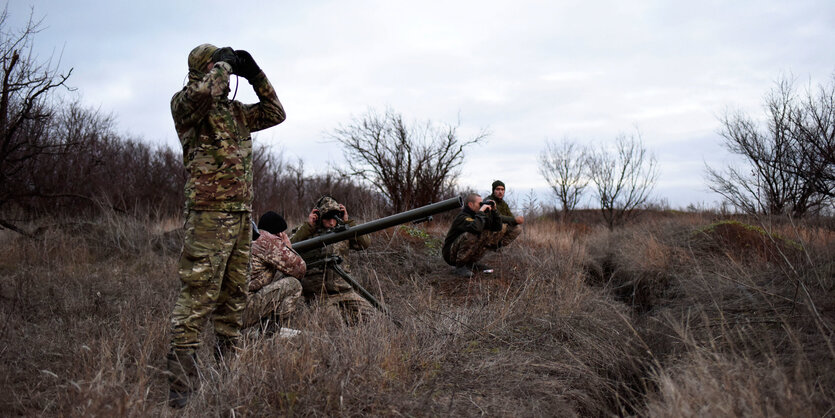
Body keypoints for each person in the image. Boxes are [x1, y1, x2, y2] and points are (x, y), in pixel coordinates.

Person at [166, 43, 285, 408]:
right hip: (207, 215)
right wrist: (222, 66)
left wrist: (255, 74)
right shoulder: (186, 105)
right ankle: (181, 390)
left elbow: (275, 113)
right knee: (198, 296)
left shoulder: (235, 112)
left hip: (238, 216)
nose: (227, 71)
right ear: (206, 69)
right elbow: (202, 91)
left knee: (233, 299)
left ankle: (225, 376)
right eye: (219, 66)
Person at [289, 196, 376, 324]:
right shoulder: (306, 232)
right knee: (333, 323)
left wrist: (348, 222)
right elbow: (289, 247)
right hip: (319, 294)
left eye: (334, 218)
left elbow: (365, 244)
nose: (331, 222)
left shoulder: (343, 231)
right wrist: (309, 226)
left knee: (372, 317)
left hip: (344, 291)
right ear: (318, 217)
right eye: (327, 218)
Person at [241, 211, 305, 333]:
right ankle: (269, 333)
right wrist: (287, 247)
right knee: (293, 284)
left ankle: (256, 331)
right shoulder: (269, 241)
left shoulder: (252, 238)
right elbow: (300, 269)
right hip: (243, 312)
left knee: (278, 277)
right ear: (278, 233)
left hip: (229, 311)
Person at [442, 193, 503, 277]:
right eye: (479, 204)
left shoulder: (477, 216)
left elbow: (497, 227)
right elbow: (475, 228)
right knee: (473, 232)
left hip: (459, 251)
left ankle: (470, 263)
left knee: (487, 232)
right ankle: (460, 266)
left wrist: (494, 210)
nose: (481, 206)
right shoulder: (462, 217)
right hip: (450, 254)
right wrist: (481, 212)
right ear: (470, 204)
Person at [484, 180, 525, 249]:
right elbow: (497, 217)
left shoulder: (503, 203)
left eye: (502, 190)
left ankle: (499, 246)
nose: (500, 192)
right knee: (502, 226)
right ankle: (490, 246)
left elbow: (510, 216)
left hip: (498, 229)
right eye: (498, 189)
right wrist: (514, 220)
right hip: (488, 229)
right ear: (493, 190)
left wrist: (516, 220)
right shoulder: (489, 201)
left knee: (517, 228)